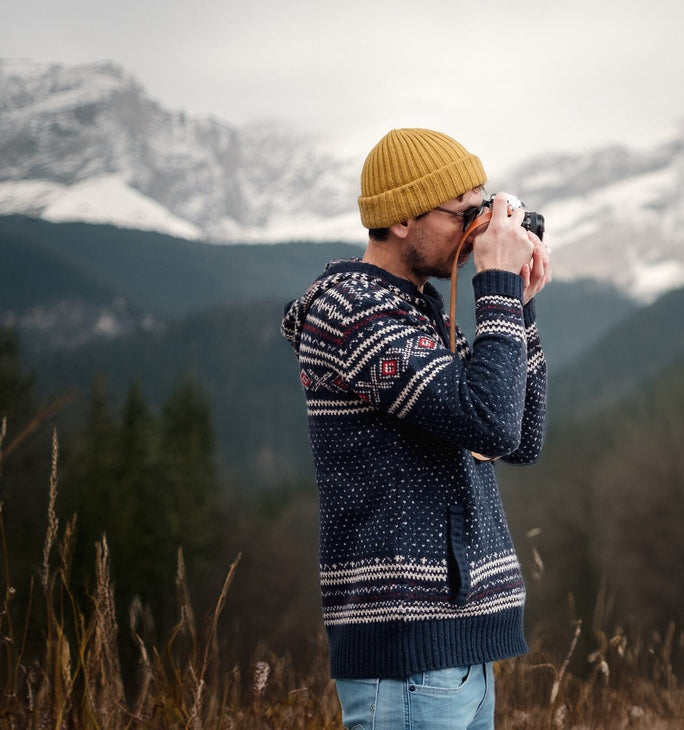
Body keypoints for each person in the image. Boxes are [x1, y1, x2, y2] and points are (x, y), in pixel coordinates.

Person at [281, 127, 550, 729]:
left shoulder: (418, 311)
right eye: (463, 215)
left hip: (462, 648)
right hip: (407, 652)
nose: (476, 232)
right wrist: (497, 288)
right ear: (402, 220)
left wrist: (519, 305)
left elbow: (521, 437)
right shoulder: (353, 311)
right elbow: (491, 425)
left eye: (483, 211)